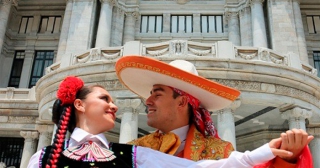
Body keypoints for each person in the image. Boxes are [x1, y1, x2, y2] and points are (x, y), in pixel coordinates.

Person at [28, 76, 301, 168]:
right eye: (104, 98)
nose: (115, 105)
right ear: (79, 105)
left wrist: (263, 153)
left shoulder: (132, 155)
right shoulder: (41, 159)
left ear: (183, 102)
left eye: (156, 95)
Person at [115, 55, 314, 168]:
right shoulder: (135, 149)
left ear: (182, 101)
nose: (147, 101)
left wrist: (287, 159)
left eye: (156, 94)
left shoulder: (221, 150)